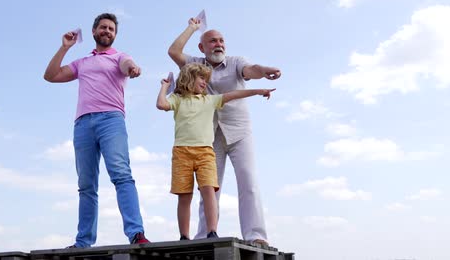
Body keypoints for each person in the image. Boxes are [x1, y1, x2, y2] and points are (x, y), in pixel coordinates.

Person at [167, 17, 282, 245]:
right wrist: (193, 27)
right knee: (209, 186)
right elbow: (173, 51)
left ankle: (256, 235)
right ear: (202, 47)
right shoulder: (195, 66)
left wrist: (265, 70)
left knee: (248, 180)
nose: (218, 44)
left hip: (239, 132)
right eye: (212, 41)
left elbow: (252, 70)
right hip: (209, 136)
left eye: (221, 40)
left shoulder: (236, 62)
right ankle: (204, 236)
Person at [44, 13, 149, 247]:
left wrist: (133, 67)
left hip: (111, 120)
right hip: (82, 124)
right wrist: (64, 48)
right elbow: (50, 76)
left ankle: (136, 233)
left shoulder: (120, 57)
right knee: (86, 185)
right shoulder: (82, 63)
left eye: (111, 29)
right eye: (103, 27)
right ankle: (83, 242)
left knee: (121, 175)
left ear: (115, 34)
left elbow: (127, 65)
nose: (107, 31)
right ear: (94, 32)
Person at [156, 63, 275, 241]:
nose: (205, 82)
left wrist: (258, 91)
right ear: (190, 78)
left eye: (206, 79)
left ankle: (212, 231)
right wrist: (165, 86)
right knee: (184, 195)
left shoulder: (209, 100)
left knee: (209, 190)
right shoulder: (177, 99)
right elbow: (161, 104)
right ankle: (184, 236)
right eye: (201, 78)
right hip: (181, 153)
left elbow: (234, 94)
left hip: (205, 152)